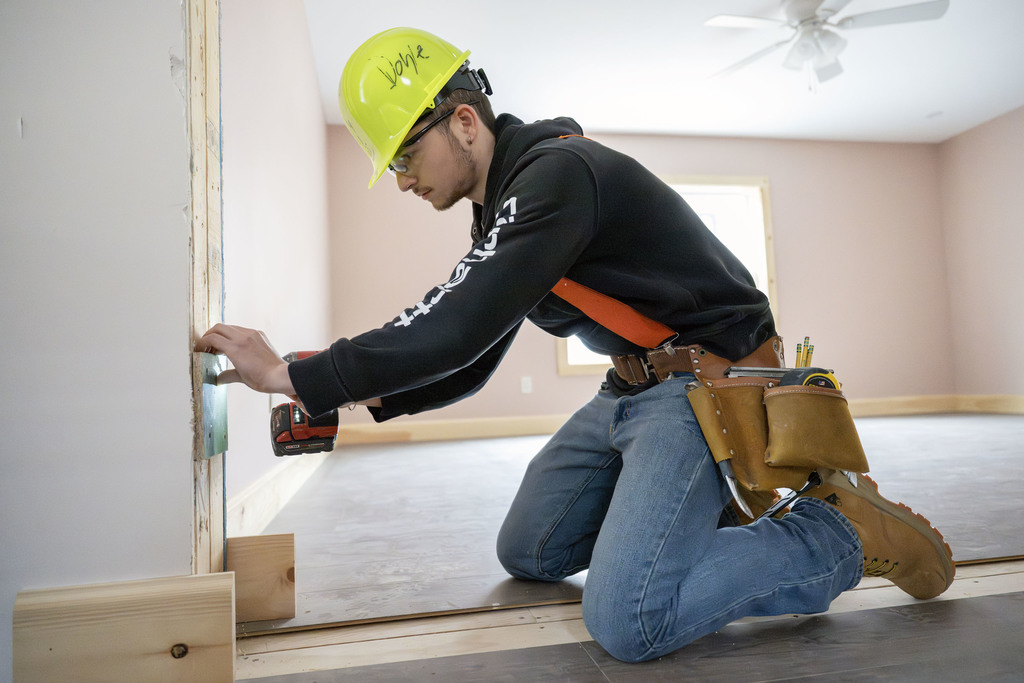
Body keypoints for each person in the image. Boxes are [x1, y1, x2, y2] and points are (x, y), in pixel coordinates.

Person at [196, 27, 954, 662]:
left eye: (403, 156)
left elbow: (454, 324)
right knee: (529, 551)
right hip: (632, 389)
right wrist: (332, 393)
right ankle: (701, 521)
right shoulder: (508, 210)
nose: (401, 181)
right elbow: (470, 354)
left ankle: (833, 534)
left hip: (706, 387)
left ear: (464, 121)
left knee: (629, 619)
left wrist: (297, 374)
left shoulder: (558, 176)